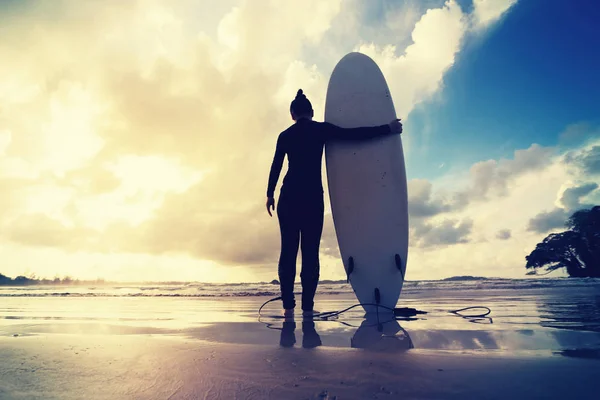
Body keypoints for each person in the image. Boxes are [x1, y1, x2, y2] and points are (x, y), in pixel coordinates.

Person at [266, 89, 403, 317]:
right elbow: (354, 135)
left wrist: (269, 193)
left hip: (288, 197)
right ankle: (307, 307)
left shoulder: (285, 135)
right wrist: (387, 129)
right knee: (310, 252)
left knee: (288, 251)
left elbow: (276, 166)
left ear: (292, 114)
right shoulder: (321, 129)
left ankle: (288, 305)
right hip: (311, 198)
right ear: (311, 112)